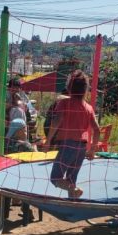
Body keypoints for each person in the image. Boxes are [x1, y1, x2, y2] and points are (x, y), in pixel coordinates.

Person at [46, 71, 99, 199]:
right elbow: (97, 130)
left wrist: (48, 140)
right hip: (81, 148)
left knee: (55, 178)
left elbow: (56, 121)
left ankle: (75, 190)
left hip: (68, 146)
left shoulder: (64, 104)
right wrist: (92, 149)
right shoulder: (88, 108)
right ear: (85, 90)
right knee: (71, 178)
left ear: (69, 88)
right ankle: (72, 204)